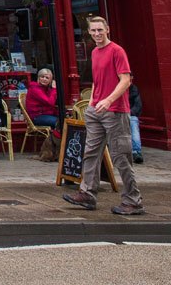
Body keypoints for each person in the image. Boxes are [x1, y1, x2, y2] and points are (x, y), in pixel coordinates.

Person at [62, 16, 143, 215]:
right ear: (89, 32)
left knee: (121, 156)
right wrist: (92, 102)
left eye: (100, 30)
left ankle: (133, 200)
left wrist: (108, 100)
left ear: (108, 29)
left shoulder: (117, 50)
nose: (97, 34)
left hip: (115, 111)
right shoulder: (95, 52)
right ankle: (87, 193)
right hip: (96, 111)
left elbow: (126, 80)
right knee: (90, 152)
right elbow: (97, 80)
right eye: (93, 31)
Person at [25, 68, 60, 132]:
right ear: (38, 77)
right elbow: (50, 102)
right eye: (42, 77)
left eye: (47, 78)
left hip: (45, 114)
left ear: (50, 80)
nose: (44, 79)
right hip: (37, 117)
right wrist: (54, 89)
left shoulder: (45, 88)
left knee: (65, 120)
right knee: (61, 123)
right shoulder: (35, 89)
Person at [128, 74, 144, 164]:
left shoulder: (134, 89)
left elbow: (138, 104)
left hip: (130, 114)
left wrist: (130, 113)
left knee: (133, 126)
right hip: (118, 114)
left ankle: (136, 152)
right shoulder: (117, 88)